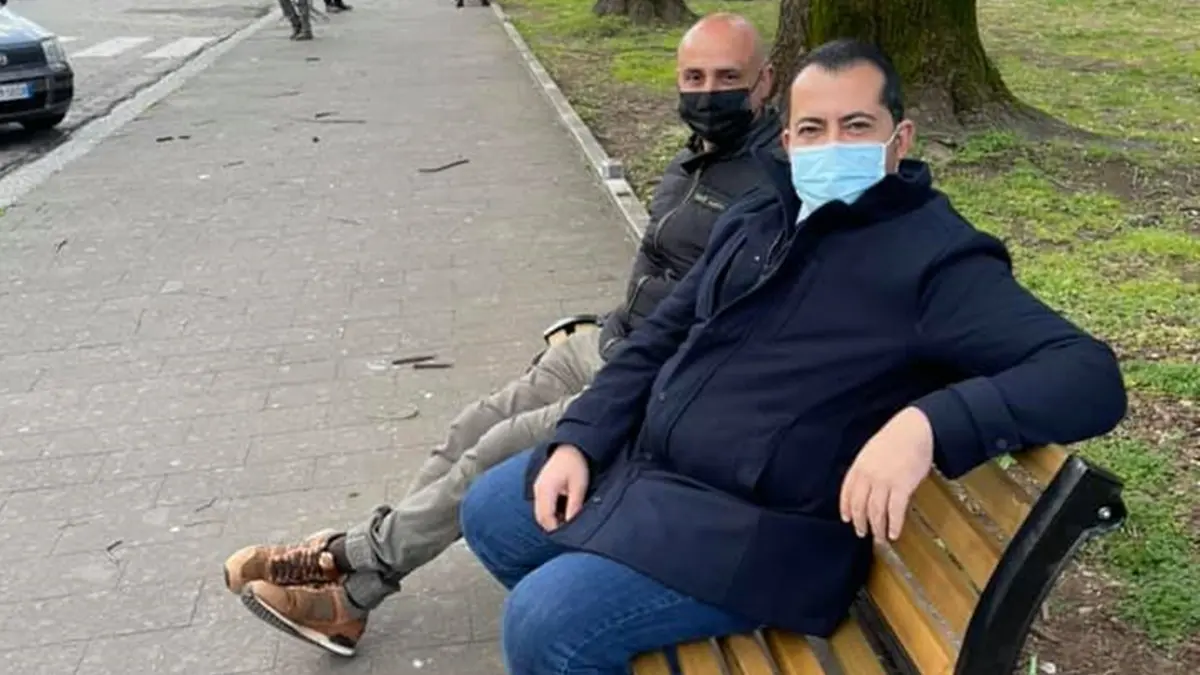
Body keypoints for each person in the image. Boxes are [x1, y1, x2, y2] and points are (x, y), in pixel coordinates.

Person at [456, 39, 1129, 674]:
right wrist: (581, 437)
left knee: (547, 622)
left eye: (856, 126)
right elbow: (658, 337)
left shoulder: (937, 261)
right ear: (787, 141)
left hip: (758, 536)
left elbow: (1087, 375)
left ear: (900, 139)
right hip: (655, 473)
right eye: (812, 129)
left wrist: (926, 425)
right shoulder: (760, 215)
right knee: (490, 511)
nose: (832, 145)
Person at [223, 13, 784, 657]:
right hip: (608, 342)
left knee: (493, 450)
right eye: (695, 77)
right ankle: (359, 577)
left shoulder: (771, 188)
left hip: (650, 380)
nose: (709, 93)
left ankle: (350, 575)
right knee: (470, 425)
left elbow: (731, 327)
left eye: (728, 78)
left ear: (765, 81)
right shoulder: (693, 158)